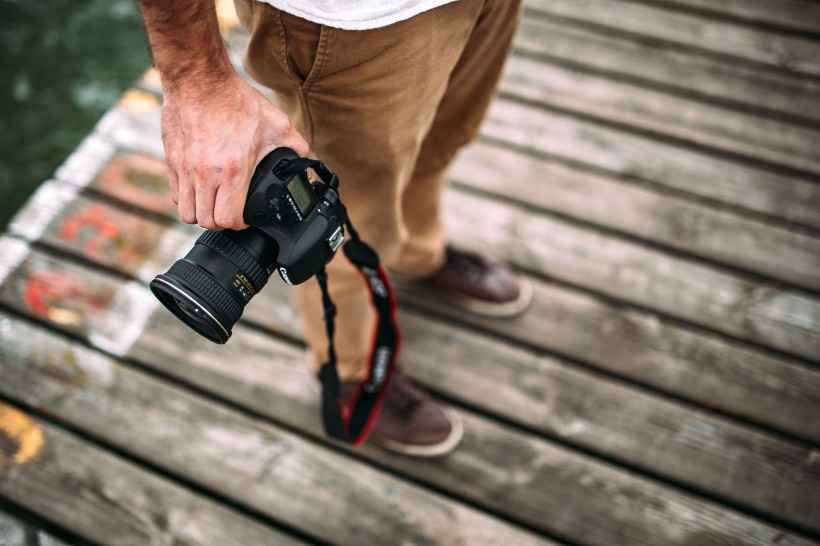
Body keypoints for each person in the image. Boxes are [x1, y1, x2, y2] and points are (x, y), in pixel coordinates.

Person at [137, 0, 530, 457]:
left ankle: (416, 254)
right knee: (351, 217)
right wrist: (197, 82)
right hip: (352, 23)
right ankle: (349, 372)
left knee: (437, 143)